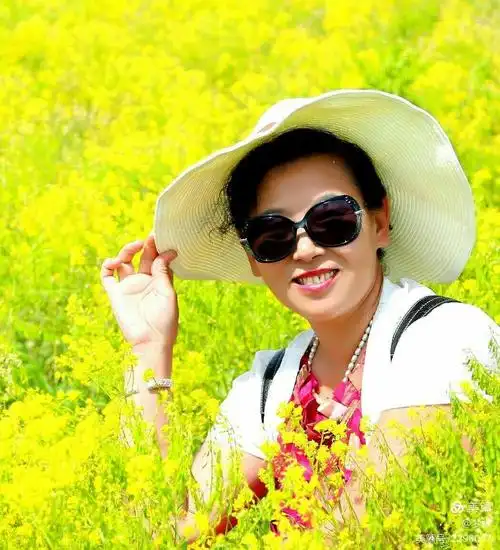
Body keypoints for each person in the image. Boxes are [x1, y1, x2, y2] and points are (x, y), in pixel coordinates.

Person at [100, 90, 499, 541]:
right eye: (273, 235)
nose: (306, 249)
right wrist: (149, 349)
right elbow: (162, 531)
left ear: (379, 222)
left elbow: (367, 530)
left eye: (332, 220)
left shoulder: (447, 339)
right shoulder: (270, 384)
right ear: (253, 258)